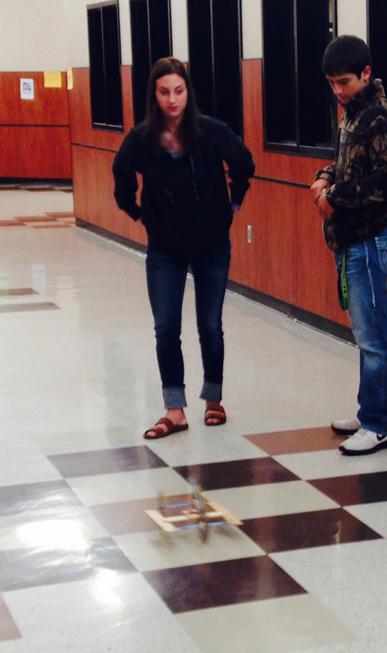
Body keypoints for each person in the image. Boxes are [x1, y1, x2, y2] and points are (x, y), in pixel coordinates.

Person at [112, 57, 254, 439]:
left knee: (209, 324)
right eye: (163, 92)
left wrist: (234, 202)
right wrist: (138, 213)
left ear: (188, 92)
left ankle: (213, 400)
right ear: (153, 95)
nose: (172, 100)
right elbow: (121, 174)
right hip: (165, 247)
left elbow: (244, 163)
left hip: (211, 244)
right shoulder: (142, 139)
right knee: (165, 327)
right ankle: (174, 410)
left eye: (178, 91)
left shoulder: (211, 132)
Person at [310, 35, 387, 455]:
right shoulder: (351, 112)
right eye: (331, 83)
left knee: (374, 337)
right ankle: (369, 411)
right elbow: (345, 163)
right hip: (350, 240)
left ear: (366, 74)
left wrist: (336, 197)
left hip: (368, 239)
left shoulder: (379, 116)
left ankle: (380, 423)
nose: (337, 90)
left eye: (344, 82)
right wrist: (325, 176)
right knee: (364, 334)